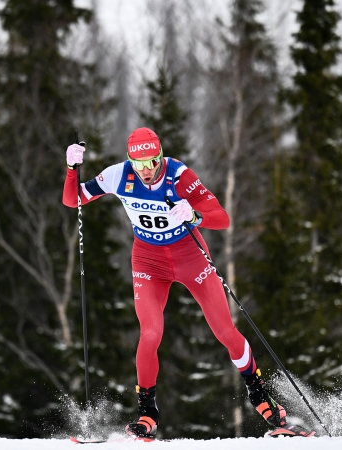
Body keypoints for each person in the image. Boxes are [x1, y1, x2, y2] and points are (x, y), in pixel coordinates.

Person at [62, 127, 291, 439]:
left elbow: (221, 218)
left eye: (151, 162)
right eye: (138, 163)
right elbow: (71, 199)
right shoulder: (118, 175)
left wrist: (194, 214)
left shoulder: (178, 175)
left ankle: (258, 391)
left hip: (189, 256)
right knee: (150, 333)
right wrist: (72, 169)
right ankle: (147, 412)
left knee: (225, 330)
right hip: (148, 261)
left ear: (160, 158)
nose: (144, 170)